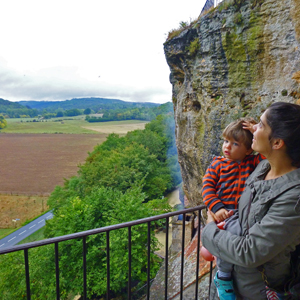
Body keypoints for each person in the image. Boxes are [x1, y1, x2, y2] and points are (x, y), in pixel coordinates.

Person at [201, 102, 300, 300]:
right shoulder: (262, 170)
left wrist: (209, 229)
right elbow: (247, 213)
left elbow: (249, 251)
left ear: (278, 143)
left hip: (259, 290)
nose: (253, 129)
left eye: (260, 125)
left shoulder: (294, 197)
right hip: (238, 280)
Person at [202, 117, 265, 300]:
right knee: (225, 243)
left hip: (243, 214)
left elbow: (267, 156)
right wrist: (217, 207)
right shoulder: (217, 165)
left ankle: (225, 275)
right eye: (226, 141)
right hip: (224, 214)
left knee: (236, 243)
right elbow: (207, 188)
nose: (227, 147)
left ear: (248, 149)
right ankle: (223, 276)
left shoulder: (252, 163)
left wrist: (255, 132)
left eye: (235, 143)